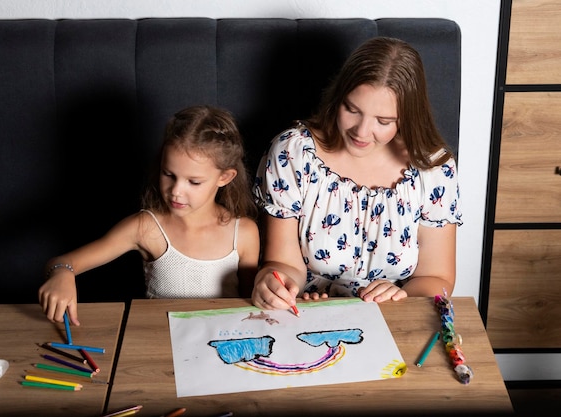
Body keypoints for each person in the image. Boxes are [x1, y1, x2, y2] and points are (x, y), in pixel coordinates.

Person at [251, 37, 462, 312]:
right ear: (338, 97)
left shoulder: (434, 168)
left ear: (408, 117)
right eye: (351, 109)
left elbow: (437, 278)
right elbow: (284, 263)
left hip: (395, 318)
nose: (361, 132)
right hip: (306, 313)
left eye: (383, 121)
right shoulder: (293, 153)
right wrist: (277, 285)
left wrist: (401, 297)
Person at [39, 105, 260, 325]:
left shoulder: (244, 233)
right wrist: (62, 274)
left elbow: (250, 306)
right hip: (160, 345)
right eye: (168, 174)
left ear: (225, 177)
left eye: (194, 182)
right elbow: (62, 262)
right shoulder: (145, 227)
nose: (176, 191)